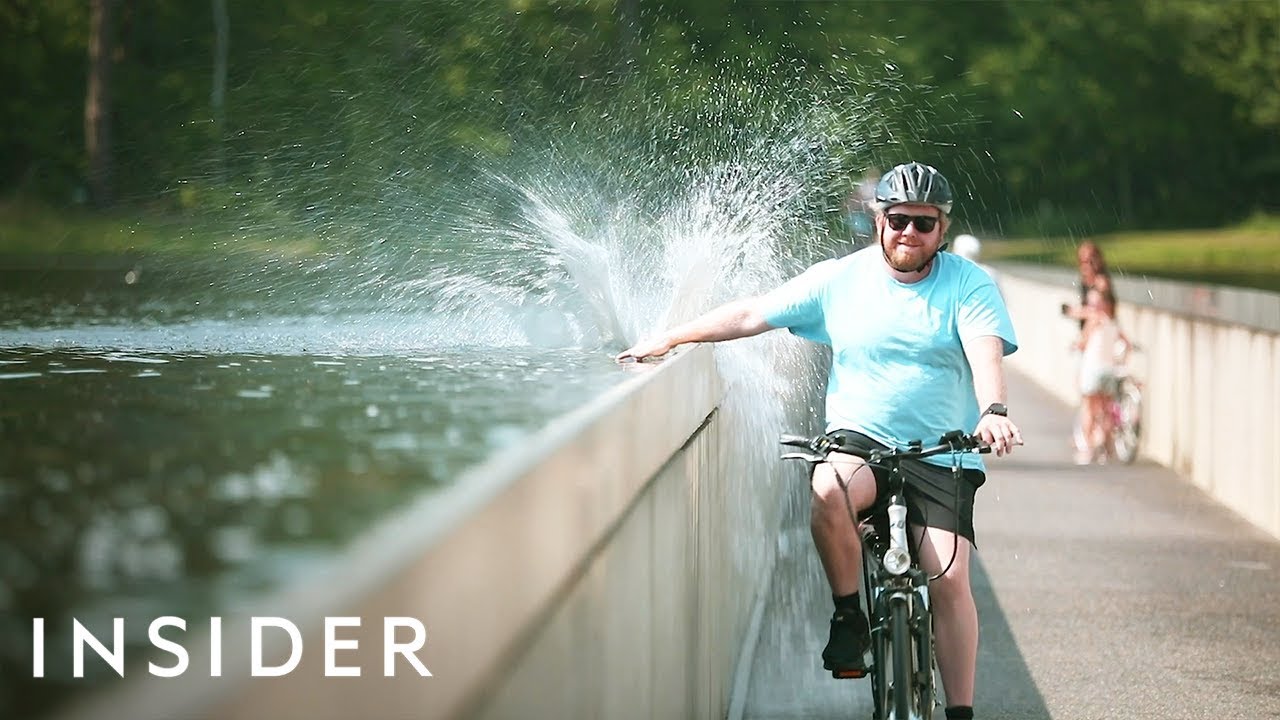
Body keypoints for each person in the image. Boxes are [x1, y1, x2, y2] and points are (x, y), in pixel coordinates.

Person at [617, 162, 1022, 720]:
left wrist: (993, 410)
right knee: (828, 487)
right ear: (879, 220)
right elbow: (753, 313)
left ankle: (959, 712)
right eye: (898, 219)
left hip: (940, 450)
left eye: (923, 224)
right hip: (862, 441)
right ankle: (849, 615)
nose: (909, 233)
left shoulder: (967, 283)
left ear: (942, 230)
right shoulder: (840, 279)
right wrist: (672, 336)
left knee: (949, 577)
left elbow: (984, 346)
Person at [1071, 278, 1131, 464]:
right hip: (1109, 370)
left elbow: (1083, 342)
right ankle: (1106, 449)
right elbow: (1126, 344)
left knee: (1089, 409)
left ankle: (1088, 450)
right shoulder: (1113, 323)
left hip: (1093, 369)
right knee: (1105, 410)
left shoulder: (1094, 321)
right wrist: (1121, 361)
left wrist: (1076, 345)